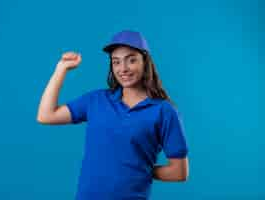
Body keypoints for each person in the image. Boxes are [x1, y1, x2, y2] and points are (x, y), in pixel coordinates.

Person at [37, 30, 189, 200]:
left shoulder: (164, 111)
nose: (123, 68)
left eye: (131, 60)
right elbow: (46, 115)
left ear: (145, 62)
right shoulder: (96, 100)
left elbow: (179, 172)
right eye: (116, 62)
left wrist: (139, 168)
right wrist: (61, 69)